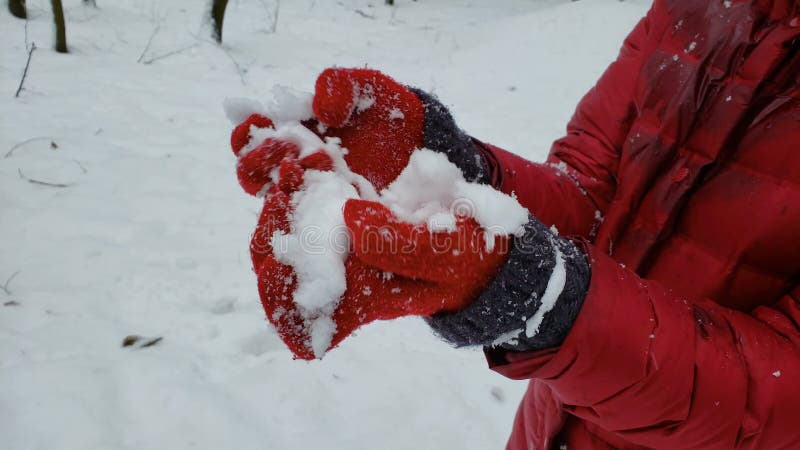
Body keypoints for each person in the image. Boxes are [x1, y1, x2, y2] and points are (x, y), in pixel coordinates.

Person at [227, 0, 800, 448]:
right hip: (552, 426)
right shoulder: (692, 10)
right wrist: (451, 165)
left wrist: (545, 302)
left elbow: (783, 397)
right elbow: (589, 188)